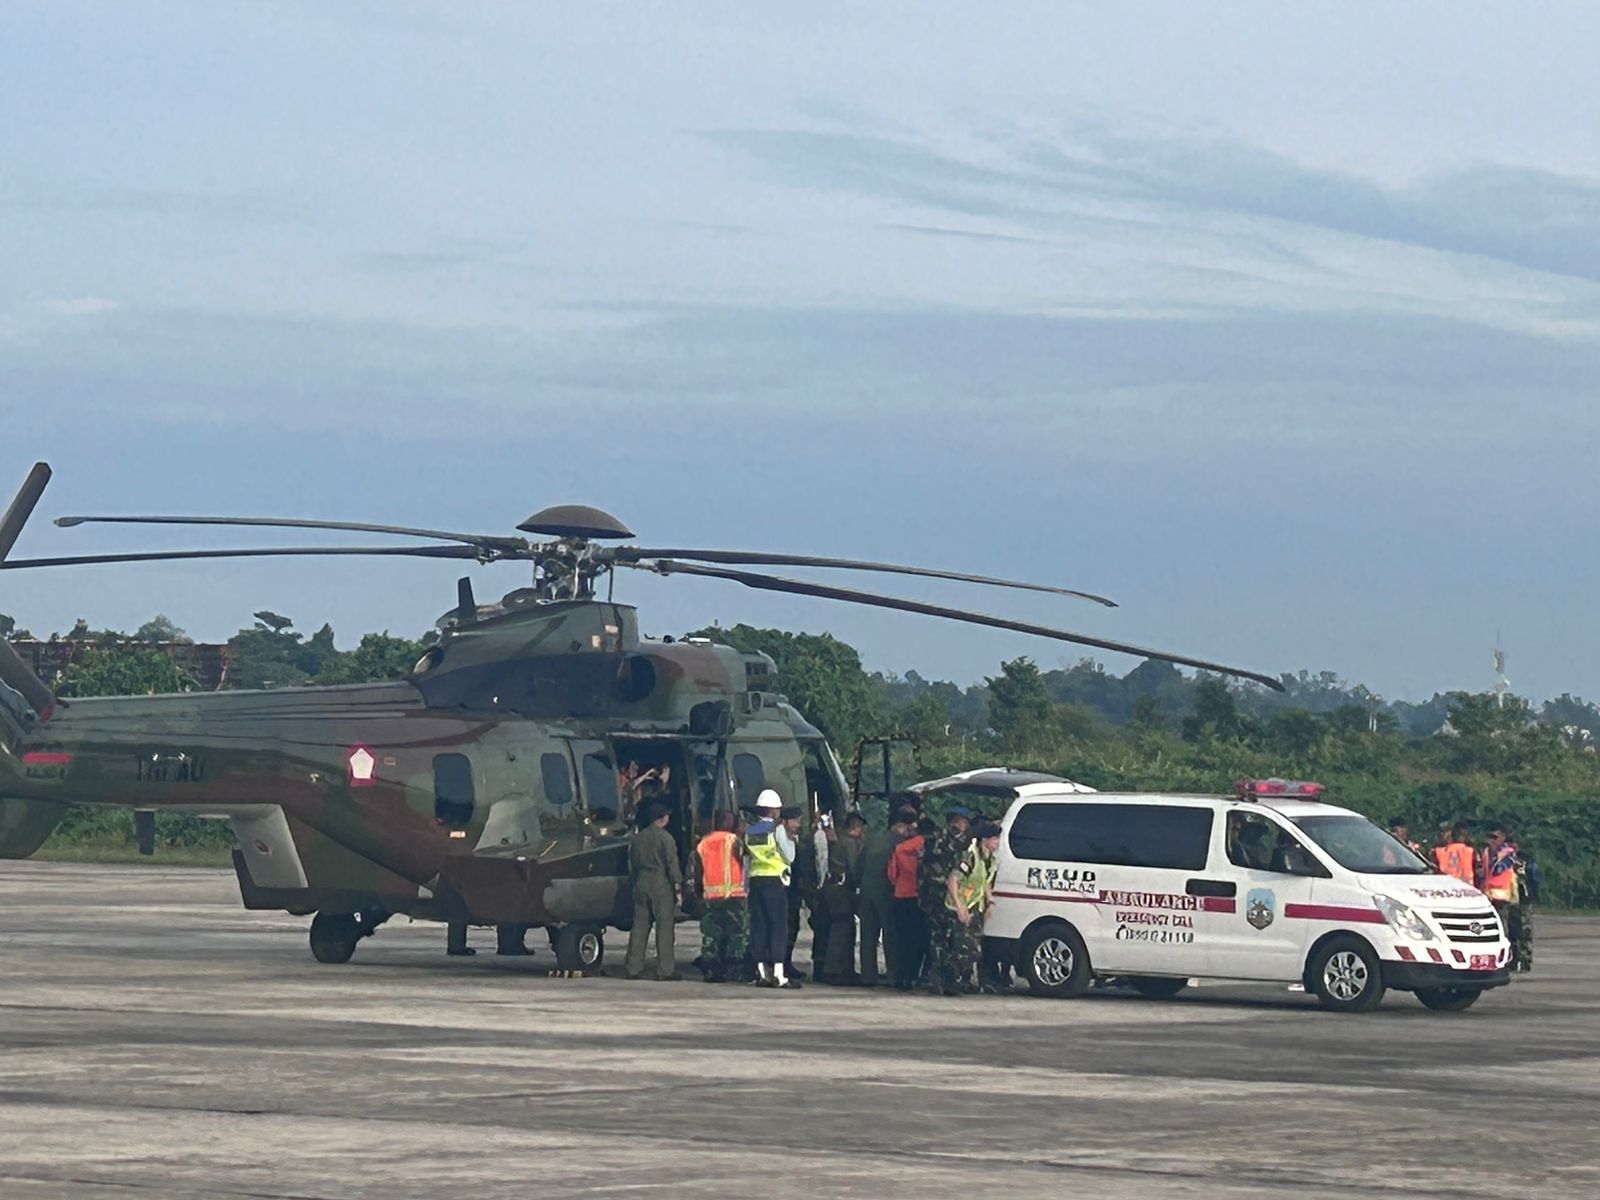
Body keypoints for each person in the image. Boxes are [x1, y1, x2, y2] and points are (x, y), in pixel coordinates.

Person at [939, 820, 1002, 996]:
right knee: (965, 948)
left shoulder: (990, 860)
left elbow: (985, 883)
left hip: (976, 906)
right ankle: (949, 981)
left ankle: (957, 981)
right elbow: (953, 880)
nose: (998, 842)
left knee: (972, 949)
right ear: (985, 839)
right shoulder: (970, 855)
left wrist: (990, 902)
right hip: (959, 906)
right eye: (995, 839)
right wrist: (960, 907)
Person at [745, 789, 799, 988]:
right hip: (775, 882)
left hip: (755, 881)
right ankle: (779, 974)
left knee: (759, 927)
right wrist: (791, 841)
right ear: (774, 811)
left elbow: (746, 857)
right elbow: (789, 856)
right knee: (778, 927)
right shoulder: (777, 830)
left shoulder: (750, 831)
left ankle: (761, 973)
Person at [624, 803, 683, 981]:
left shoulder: (637, 839)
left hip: (641, 882)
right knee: (664, 928)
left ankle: (633, 968)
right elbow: (672, 865)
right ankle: (665, 970)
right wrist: (678, 887)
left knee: (639, 926)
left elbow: (631, 864)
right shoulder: (666, 838)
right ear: (662, 818)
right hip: (660, 884)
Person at [919, 806, 972, 993]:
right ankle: (947, 979)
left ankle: (935, 978)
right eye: (965, 821)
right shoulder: (958, 841)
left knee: (935, 937)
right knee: (949, 938)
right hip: (946, 894)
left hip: (929, 893)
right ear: (958, 821)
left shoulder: (933, 837)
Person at [858, 808, 911, 986]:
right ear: (899, 826)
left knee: (868, 935)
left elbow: (859, 864)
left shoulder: (872, 840)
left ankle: (868, 974)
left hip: (866, 892)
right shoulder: (899, 844)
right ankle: (893, 973)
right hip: (886, 892)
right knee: (890, 934)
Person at [694, 811, 748, 983]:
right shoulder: (734, 841)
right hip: (735, 896)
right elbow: (747, 865)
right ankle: (734, 970)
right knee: (737, 935)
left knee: (711, 935)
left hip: (711, 896)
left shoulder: (703, 843)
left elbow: (695, 871)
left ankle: (712, 970)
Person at [820, 813, 867, 984]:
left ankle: (843, 968)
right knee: (841, 929)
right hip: (841, 892)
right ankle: (835, 970)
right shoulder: (849, 844)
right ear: (856, 827)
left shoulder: (841, 841)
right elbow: (854, 868)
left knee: (843, 929)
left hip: (835, 889)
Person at [888, 813, 932, 991]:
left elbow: (891, 875)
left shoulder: (899, 848)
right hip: (921, 898)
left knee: (903, 939)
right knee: (920, 939)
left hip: (901, 896)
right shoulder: (930, 847)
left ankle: (902, 976)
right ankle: (916, 975)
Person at [1479, 826, 1529, 970]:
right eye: (1489, 837)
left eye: (1494, 837)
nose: (1490, 840)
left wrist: (1494, 857)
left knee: (1504, 929)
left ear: (1502, 837)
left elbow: (1498, 869)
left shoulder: (1507, 853)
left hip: (1503, 896)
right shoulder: (1488, 852)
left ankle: (1509, 960)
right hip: (1489, 895)